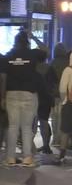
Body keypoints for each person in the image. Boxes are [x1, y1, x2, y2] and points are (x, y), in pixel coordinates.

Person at [0, 31, 47, 167]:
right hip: (29, 94)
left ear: (15, 42)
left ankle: (10, 158)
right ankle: (27, 158)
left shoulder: (8, 56)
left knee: (12, 127)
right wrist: (34, 37)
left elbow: (3, 78)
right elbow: (45, 50)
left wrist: (2, 97)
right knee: (26, 127)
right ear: (27, 42)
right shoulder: (33, 54)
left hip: (11, 94)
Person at [49, 43, 69, 146]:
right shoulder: (68, 63)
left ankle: (55, 138)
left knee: (54, 117)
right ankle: (61, 139)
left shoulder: (52, 63)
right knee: (62, 117)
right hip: (65, 93)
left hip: (54, 93)